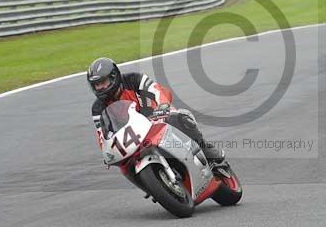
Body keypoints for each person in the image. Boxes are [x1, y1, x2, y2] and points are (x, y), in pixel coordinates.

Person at [87, 57, 227, 167]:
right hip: (133, 140)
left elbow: (157, 91)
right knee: (122, 163)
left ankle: (206, 150)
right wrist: (108, 152)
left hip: (154, 117)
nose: (100, 87)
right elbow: (103, 136)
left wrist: (164, 107)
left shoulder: (134, 79)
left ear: (113, 76)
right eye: (96, 85)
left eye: (103, 82)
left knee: (179, 117)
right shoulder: (97, 108)